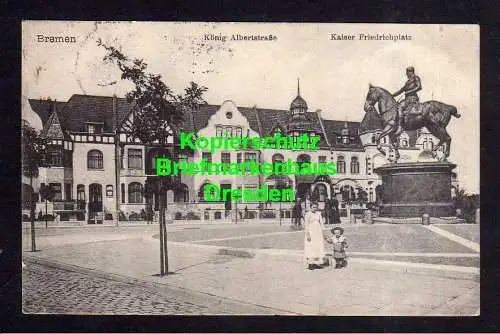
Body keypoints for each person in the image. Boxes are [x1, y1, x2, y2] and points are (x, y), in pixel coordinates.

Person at [393, 66, 422, 131]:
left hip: (412, 98)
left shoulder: (416, 78)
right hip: (407, 99)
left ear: (411, 72)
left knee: (399, 107)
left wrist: (409, 91)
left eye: (407, 73)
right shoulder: (408, 82)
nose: (406, 74)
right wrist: (391, 95)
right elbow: (400, 90)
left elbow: (419, 87)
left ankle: (400, 126)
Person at [304, 202, 327, 270]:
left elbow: (321, 223)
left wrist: (324, 232)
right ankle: (310, 263)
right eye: (313, 207)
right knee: (311, 246)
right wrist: (307, 234)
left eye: (316, 207)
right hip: (311, 232)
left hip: (318, 232)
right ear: (310, 207)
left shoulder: (318, 214)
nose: (315, 208)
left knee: (318, 246)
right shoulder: (308, 214)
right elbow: (306, 225)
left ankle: (316, 263)